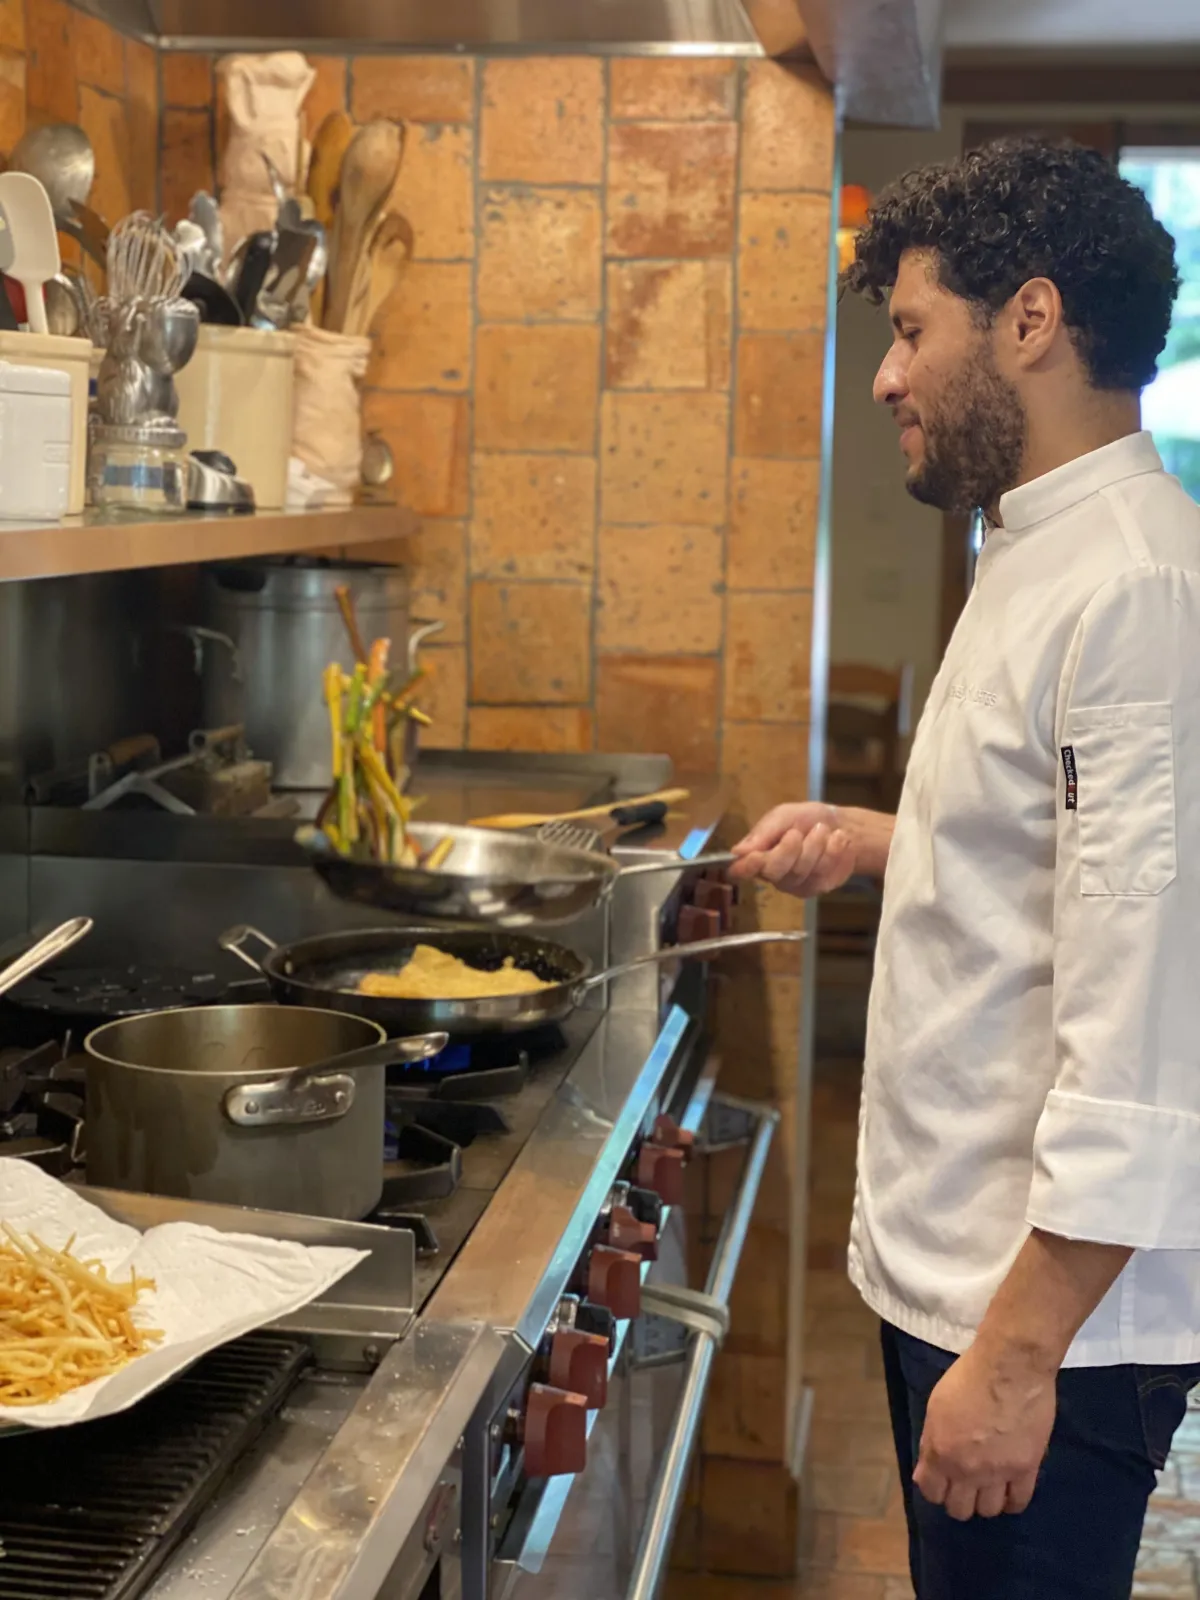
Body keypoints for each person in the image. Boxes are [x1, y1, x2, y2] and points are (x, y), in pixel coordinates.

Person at [731, 136, 1200, 1600]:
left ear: (1031, 321)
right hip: (966, 1280)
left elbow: (1149, 1026)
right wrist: (889, 840)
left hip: (1047, 1325)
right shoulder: (1035, 547)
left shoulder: (1135, 588)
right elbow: (1065, 863)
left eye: (911, 330)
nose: (885, 377)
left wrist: (1013, 1360)